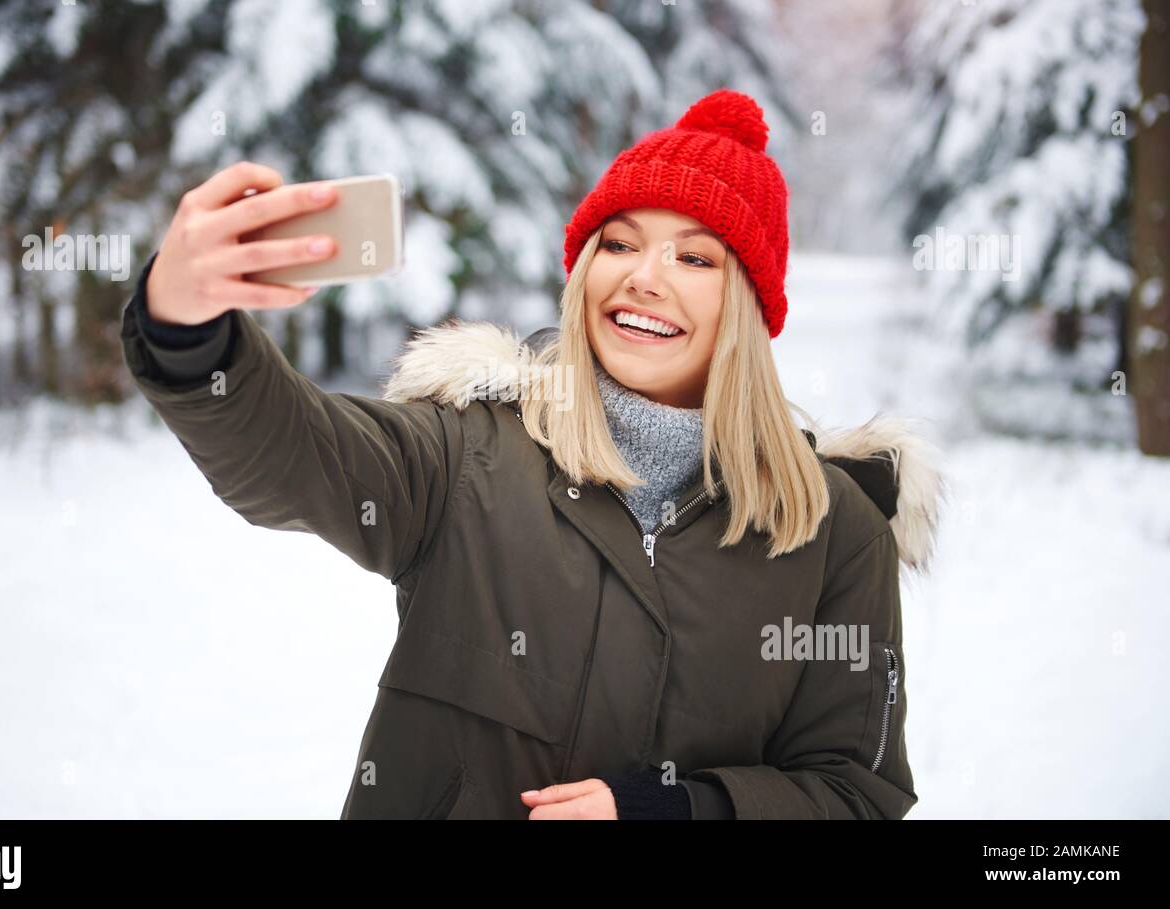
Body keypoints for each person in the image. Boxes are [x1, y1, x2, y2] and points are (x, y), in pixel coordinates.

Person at [120, 89, 946, 819]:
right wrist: (186, 327)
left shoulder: (836, 528)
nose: (644, 279)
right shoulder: (465, 452)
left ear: (748, 308)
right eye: (618, 245)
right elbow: (292, 459)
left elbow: (854, 791)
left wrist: (677, 810)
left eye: (694, 257)